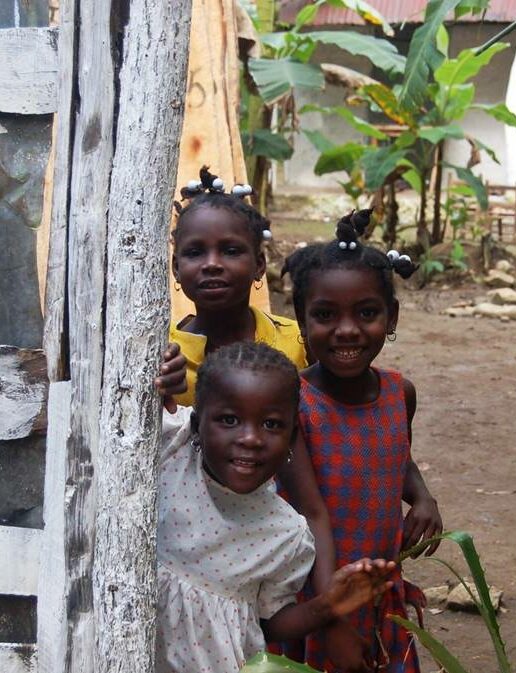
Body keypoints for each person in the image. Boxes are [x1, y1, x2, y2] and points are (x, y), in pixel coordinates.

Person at [156, 341, 395, 673]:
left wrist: (326, 607)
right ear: (197, 426)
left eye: (271, 425)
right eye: (228, 420)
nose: (251, 438)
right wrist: (161, 368)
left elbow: (268, 623)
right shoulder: (172, 448)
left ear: (291, 438)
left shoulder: (286, 534)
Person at [278, 210, 444, 673]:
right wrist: (331, 615)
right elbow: (310, 515)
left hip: (379, 588)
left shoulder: (398, 393)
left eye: (366, 313)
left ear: (391, 317)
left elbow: (396, 456)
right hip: (312, 593)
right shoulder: (293, 404)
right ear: (302, 320)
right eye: (326, 315)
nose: (347, 330)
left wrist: (424, 498)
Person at [168, 165, 306, 407]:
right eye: (195, 252)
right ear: (176, 268)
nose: (212, 264)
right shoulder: (163, 352)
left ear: (259, 265)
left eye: (231, 251)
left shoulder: (298, 342)